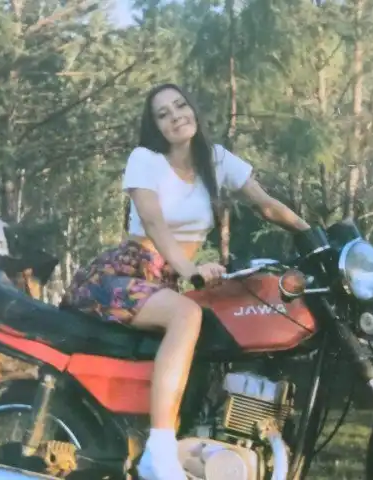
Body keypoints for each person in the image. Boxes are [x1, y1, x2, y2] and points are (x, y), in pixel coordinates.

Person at [60, 83, 309, 480]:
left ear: (192, 109)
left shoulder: (216, 159)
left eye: (180, 105)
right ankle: (158, 451)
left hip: (168, 279)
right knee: (187, 315)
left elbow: (265, 204)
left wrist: (317, 238)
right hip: (123, 274)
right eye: (163, 114)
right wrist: (189, 268)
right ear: (156, 127)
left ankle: (210, 437)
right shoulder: (145, 159)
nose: (175, 116)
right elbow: (153, 221)